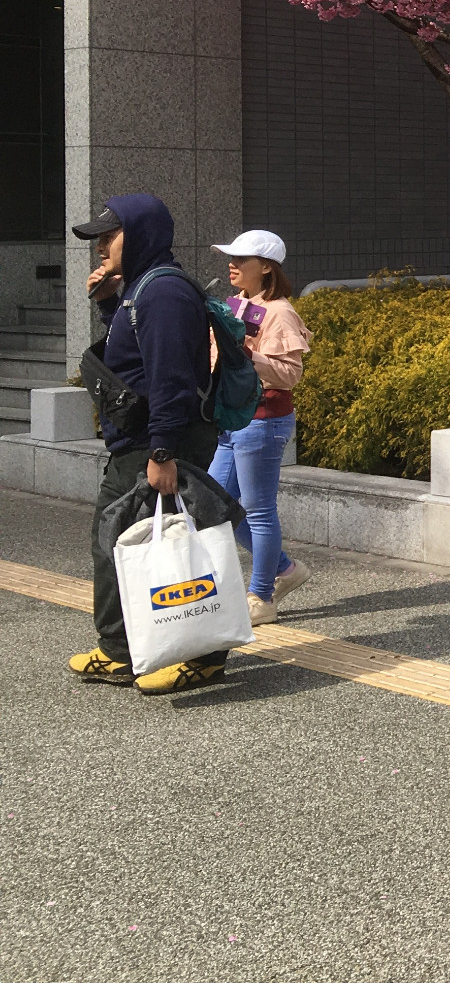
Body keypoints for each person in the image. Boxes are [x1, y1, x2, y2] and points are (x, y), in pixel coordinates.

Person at [66, 195, 229, 695]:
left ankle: (201, 653)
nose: (99, 248)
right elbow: (131, 361)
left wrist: (162, 453)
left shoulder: (163, 295)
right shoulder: (140, 290)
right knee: (125, 543)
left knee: (178, 543)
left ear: (139, 236)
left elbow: (170, 379)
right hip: (141, 441)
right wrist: (109, 305)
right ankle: (123, 649)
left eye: (107, 237)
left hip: (154, 443)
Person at [206, 230, 314, 625]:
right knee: (215, 507)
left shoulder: (280, 311)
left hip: (264, 421)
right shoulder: (236, 304)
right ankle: (284, 569)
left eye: (241, 258)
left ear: (265, 267)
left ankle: (262, 597)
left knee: (257, 510)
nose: (231, 265)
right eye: (230, 257)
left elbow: (290, 373)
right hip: (231, 420)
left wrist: (247, 355)